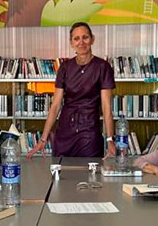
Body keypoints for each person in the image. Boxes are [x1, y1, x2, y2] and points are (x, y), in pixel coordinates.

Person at [26, 21, 116, 158]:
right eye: (76, 38)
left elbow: (106, 107)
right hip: (65, 132)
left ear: (92, 39)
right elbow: (55, 106)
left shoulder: (103, 67)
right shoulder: (65, 68)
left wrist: (110, 139)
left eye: (85, 37)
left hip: (89, 133)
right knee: (61, 174)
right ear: (71, 43)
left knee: (89, 176)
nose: (81, 42)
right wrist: (43, 139)